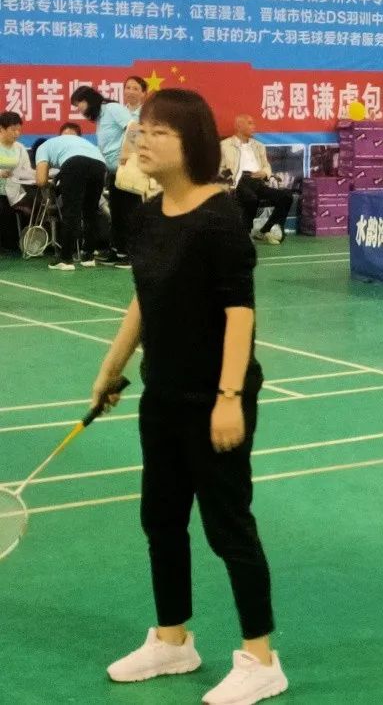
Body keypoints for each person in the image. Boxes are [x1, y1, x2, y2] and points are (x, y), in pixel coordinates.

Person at [93, 88, 288, 704]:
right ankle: (173, 640)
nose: (142, 140)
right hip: (163, 392)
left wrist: (229, 396)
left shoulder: (220, 216)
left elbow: (239, 312)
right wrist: (111, 368)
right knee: (161, 519)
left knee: (228, 526)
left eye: (159, 132)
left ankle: (262, 659)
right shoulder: (147, 216)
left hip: (215, 396)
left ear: (192, 144)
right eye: (141, 130)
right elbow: (144, 298)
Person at [70, 85, 136, 267]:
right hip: (114, 173)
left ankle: (128, 255)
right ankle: (118, 251)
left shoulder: (112, 108)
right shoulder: (100, 117)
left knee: (126, 212)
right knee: (116, 213)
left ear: (88, 100)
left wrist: (126, 154)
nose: (79, 109)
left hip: (126, 170)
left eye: (79, 104)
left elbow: (134, 129)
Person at [33, 133, 108, 270]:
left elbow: (41, 180)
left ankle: (65, 258)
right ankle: (88, 256)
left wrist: (51, 183)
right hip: (100, 164)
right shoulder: (63, 143)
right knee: (91, 211)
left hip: (75, 164)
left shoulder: (41, 148)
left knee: (71, 212)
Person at [220, 115, 292, 245]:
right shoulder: (225, 145)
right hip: (238, 182)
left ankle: (265, 230)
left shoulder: (258, 146)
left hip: (258, 181)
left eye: (253, 123)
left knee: (286, 196)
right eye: (249, 123)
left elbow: (266, 166)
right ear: (239, 126)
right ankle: (247, 232)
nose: (253, 126)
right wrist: (229, 181)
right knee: (251, 198)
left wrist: (264, 173)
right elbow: (219, 169)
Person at [0, 111, 34, 251]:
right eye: (13, 130)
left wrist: (41, 174)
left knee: (31, 208)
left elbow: (27, 171)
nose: (17, 133)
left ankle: (16, 243)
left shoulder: (20, 148)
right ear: (1, 129)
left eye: (19, 130)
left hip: (13, 192)